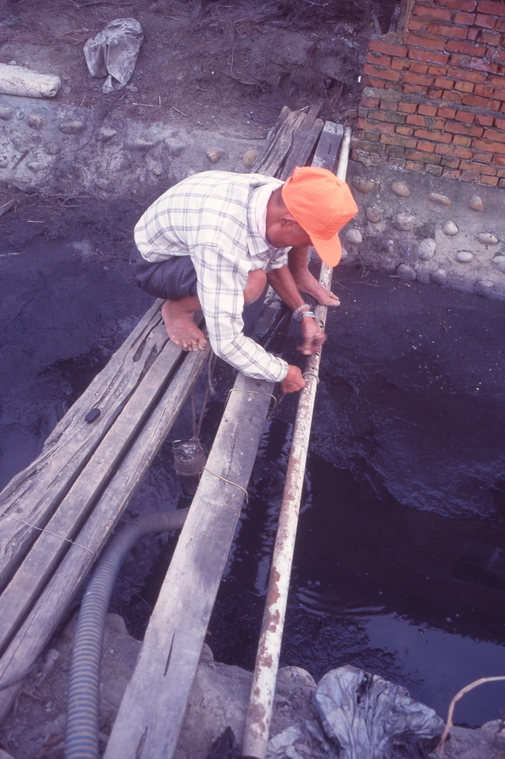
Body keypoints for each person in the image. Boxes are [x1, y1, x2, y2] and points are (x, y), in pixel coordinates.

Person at [131, 166, 358, 393]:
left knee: (256, 270)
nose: (307, 246)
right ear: (287, 222)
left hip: (187, 238)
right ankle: (177, 310)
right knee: (252, 283)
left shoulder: (278, 197)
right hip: (154, 265)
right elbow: (226, 342)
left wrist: (303, 313)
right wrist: (282, 372)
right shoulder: (220, 240)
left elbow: (272, 258)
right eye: (309, 241)